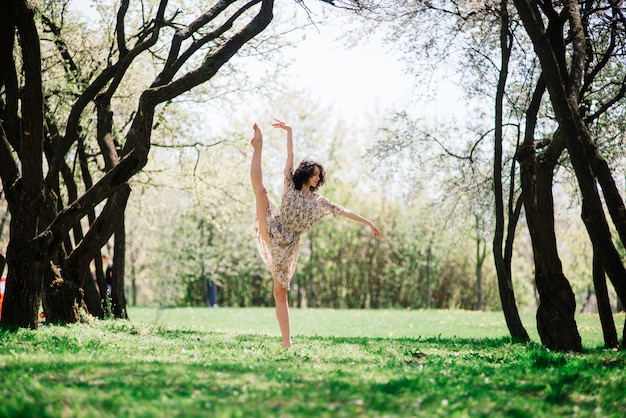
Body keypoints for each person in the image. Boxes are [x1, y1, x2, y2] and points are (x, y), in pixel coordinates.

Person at [250, 119, 382, 348]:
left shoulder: (317, 201)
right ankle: (258, 146)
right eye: (315, 173)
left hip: (288, 244)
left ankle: (286, 341)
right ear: (307, 172)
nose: (318, 178)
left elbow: (342, 210)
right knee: (261, 191)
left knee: (279, 293)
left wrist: (367, 222)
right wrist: (289, 131)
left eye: (320, 176)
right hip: (273, 227)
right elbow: (289, 155)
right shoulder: (289, 184)